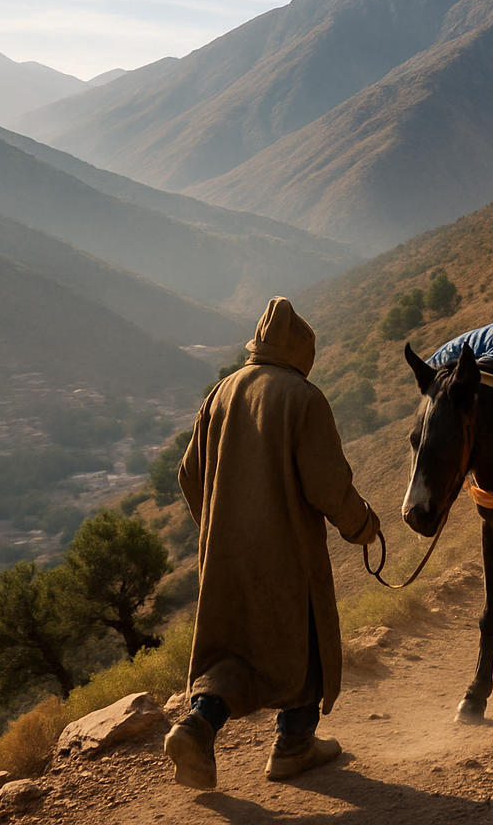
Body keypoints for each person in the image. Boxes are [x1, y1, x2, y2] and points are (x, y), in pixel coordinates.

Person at [164, 296, 381, 790]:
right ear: (301, 350)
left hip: (224, 556)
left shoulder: (220, 392)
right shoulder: (304, 399)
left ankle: (197, 727)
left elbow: (187, 474)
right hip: (288, 556)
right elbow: (326, 484)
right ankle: (293, 746)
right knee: (304, 640)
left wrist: (217, 531)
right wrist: (362, 526)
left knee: (232, 649)